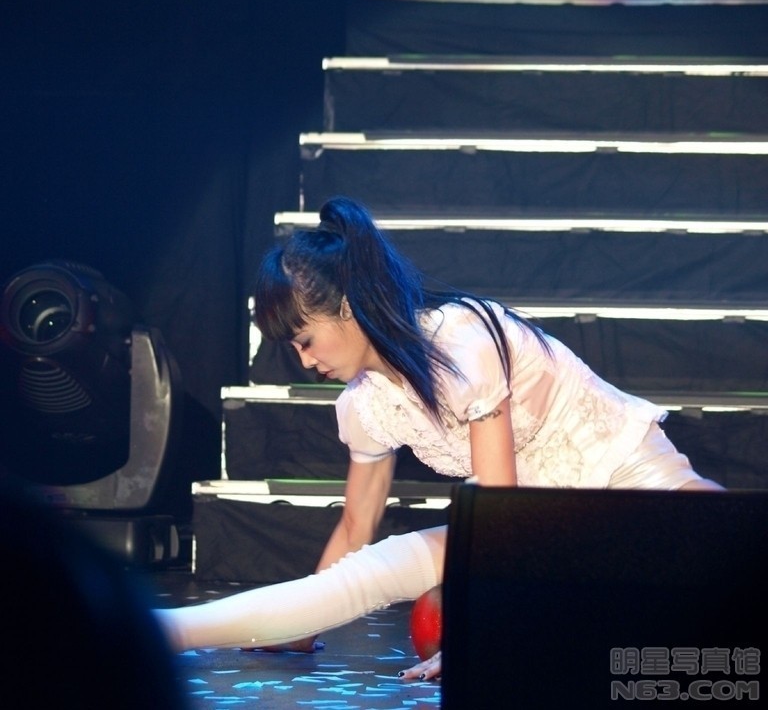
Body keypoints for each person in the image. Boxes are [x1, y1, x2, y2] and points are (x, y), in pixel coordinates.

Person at [153, 196, 723, 680]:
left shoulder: (460, 344)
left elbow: (502, 511)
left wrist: (479, 637)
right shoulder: (364, 405)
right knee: (372, 569)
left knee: (724, 545)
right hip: (540, 524)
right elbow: (355, 525)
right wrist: (303, 627)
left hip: (619, 473)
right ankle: (163, 629)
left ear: (346, 307)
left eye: (305, 340)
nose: (305, 361)